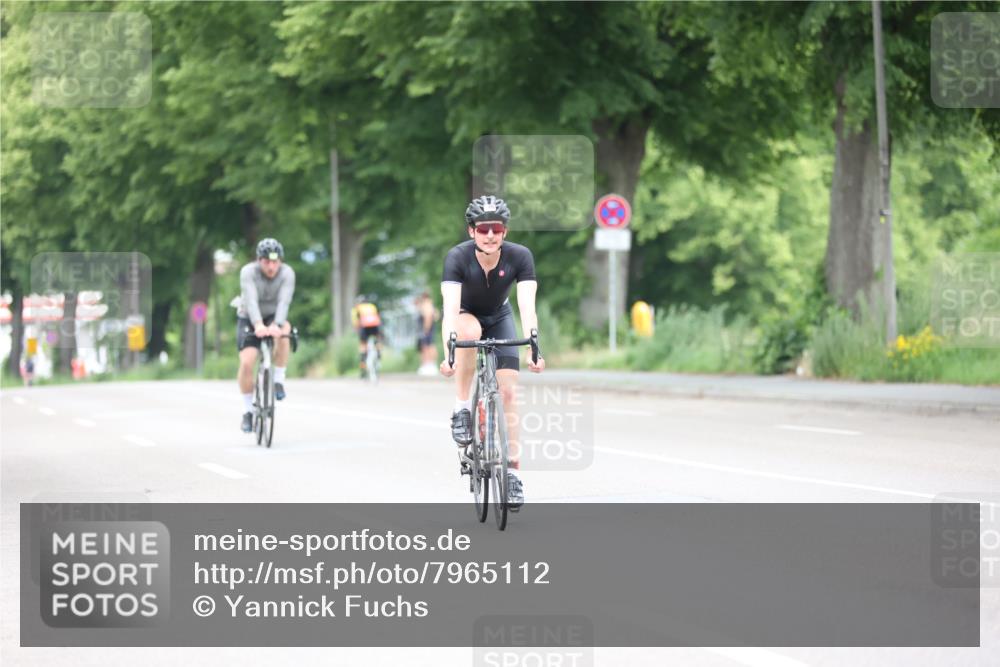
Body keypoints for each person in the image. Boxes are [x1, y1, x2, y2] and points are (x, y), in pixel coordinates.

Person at [440, 195, 545, 511]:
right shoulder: (457, 257)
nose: (489, 235)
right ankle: (462, 407)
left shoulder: (520, 257)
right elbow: (448, 311)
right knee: (469, 334)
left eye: (496, 228)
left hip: (500, 317)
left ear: (505, 231)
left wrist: (534, 347)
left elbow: (527, 307)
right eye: (483, 228)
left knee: (510, 393)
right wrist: (450, 353)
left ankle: (512, 474)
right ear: (471, 231)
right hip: (466, 313)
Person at [236, 238, 295, 433]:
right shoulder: (248, 272)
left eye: (275, 262)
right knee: (247, 362)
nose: (271, 266)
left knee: (285, 331)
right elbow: (251, 301)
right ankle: (247, 411)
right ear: (258, 260)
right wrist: (258, 324)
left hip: (273, 315)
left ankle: (278, 379)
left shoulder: (287, 273)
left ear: (281, 261)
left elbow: (284, 302)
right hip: (249, 316)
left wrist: (277, 325)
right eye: (266, 262)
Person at [351, 295, 382, 378]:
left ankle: (363, 366)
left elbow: (355, 322)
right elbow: (378, 317)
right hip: (375, 326)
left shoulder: (357, 308)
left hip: (364, 327)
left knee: (363, 346)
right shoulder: (372, 306)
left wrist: (356, 330)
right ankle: (378, 354)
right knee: (377, 339)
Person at [415, 292, 440, 376]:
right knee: (428, 346)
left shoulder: (427, 305)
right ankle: (429, 364)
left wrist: (426, 329)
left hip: (426, 329)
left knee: (427, 346)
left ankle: (429, 364)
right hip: (427, 329)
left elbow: (428, 317)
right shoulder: (430, 305)